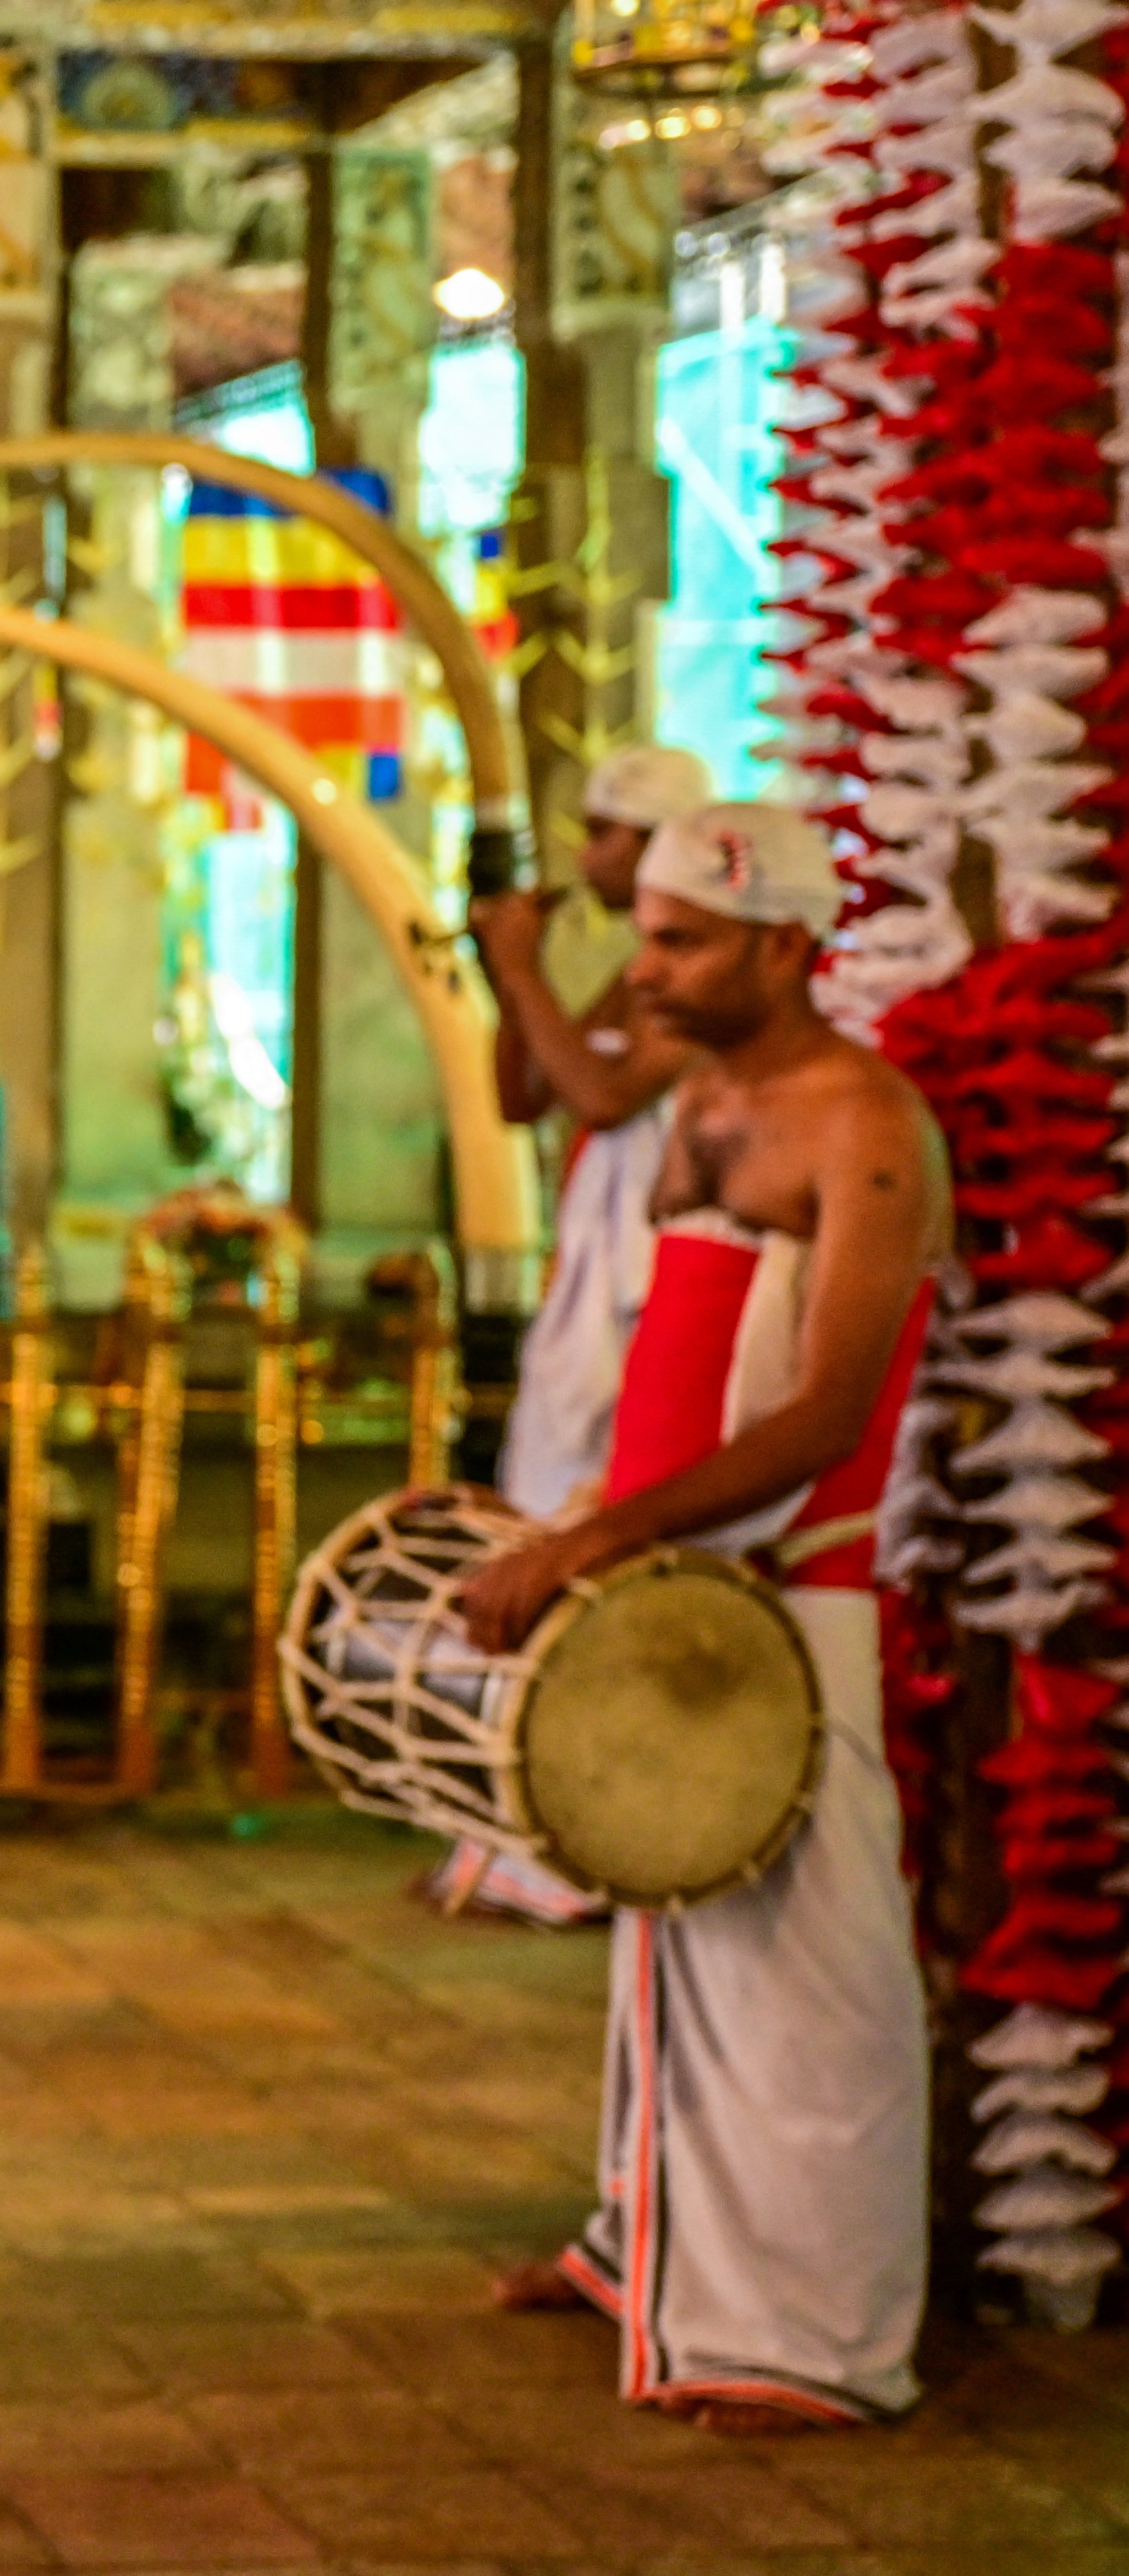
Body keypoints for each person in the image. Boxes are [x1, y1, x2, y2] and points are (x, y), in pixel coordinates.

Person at [454, 801, 941, 2433]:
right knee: (667, 1960)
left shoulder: (864, 1123)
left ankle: (818, 2338)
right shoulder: (703, 1102)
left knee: (813, 1986)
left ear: (786, 949)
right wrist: (589, 1549)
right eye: (645, 933)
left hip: (790, 1610)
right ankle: (642, 2254)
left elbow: (818, 1421)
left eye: (678, 942)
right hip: (675, 1603)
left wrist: (591, 1542)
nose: (641, 970)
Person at [445, 741, 715, 1922]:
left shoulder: (694, 988)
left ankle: (579, 1836)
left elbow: (605, 1097)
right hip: (584, 1293)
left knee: (584, 1532)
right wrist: (515, 974)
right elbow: (524, 1094)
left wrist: (519, 963)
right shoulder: (621, 980)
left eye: (604, 834)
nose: (583, 857)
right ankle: (522, 1827)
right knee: (536, 1521)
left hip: (643, 1298)